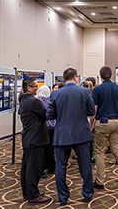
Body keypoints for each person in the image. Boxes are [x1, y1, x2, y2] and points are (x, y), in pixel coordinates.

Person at [46, 68, 95, 206]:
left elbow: (49, 115)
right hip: (82, 134)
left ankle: (63, 197)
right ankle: (87, 194)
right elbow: (91, 111)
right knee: (85, 165)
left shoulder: (55, 93)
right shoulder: (84, 91)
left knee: (60, 167)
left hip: (62, 134)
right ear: (75, 77)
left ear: (64, 78)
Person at [90, 66, 118, 190]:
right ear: (111, 75)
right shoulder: (117, 88)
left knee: (99, 152)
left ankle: (100, 181)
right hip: (116, 122)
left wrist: (91, 125)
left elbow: (95, 109)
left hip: (102, 122)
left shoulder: (97, 89)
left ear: (100, 76)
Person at [19, 78, 51, 203]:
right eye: (35, 86)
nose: (37, 88)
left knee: (27, 167)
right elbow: (46, 114)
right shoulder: (34, 101)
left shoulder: (24, 100)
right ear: (28, 88)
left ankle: (28, 193)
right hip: (35, 139)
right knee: (33, 169)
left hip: (29, 138)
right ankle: (33, 195)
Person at [36, 85, 56, 175]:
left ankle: (44, 167)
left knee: (43, 148)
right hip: (53, 126)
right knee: (50, 147)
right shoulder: (51, 101)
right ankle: (52, 167)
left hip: (44, 127)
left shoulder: (38, 102)